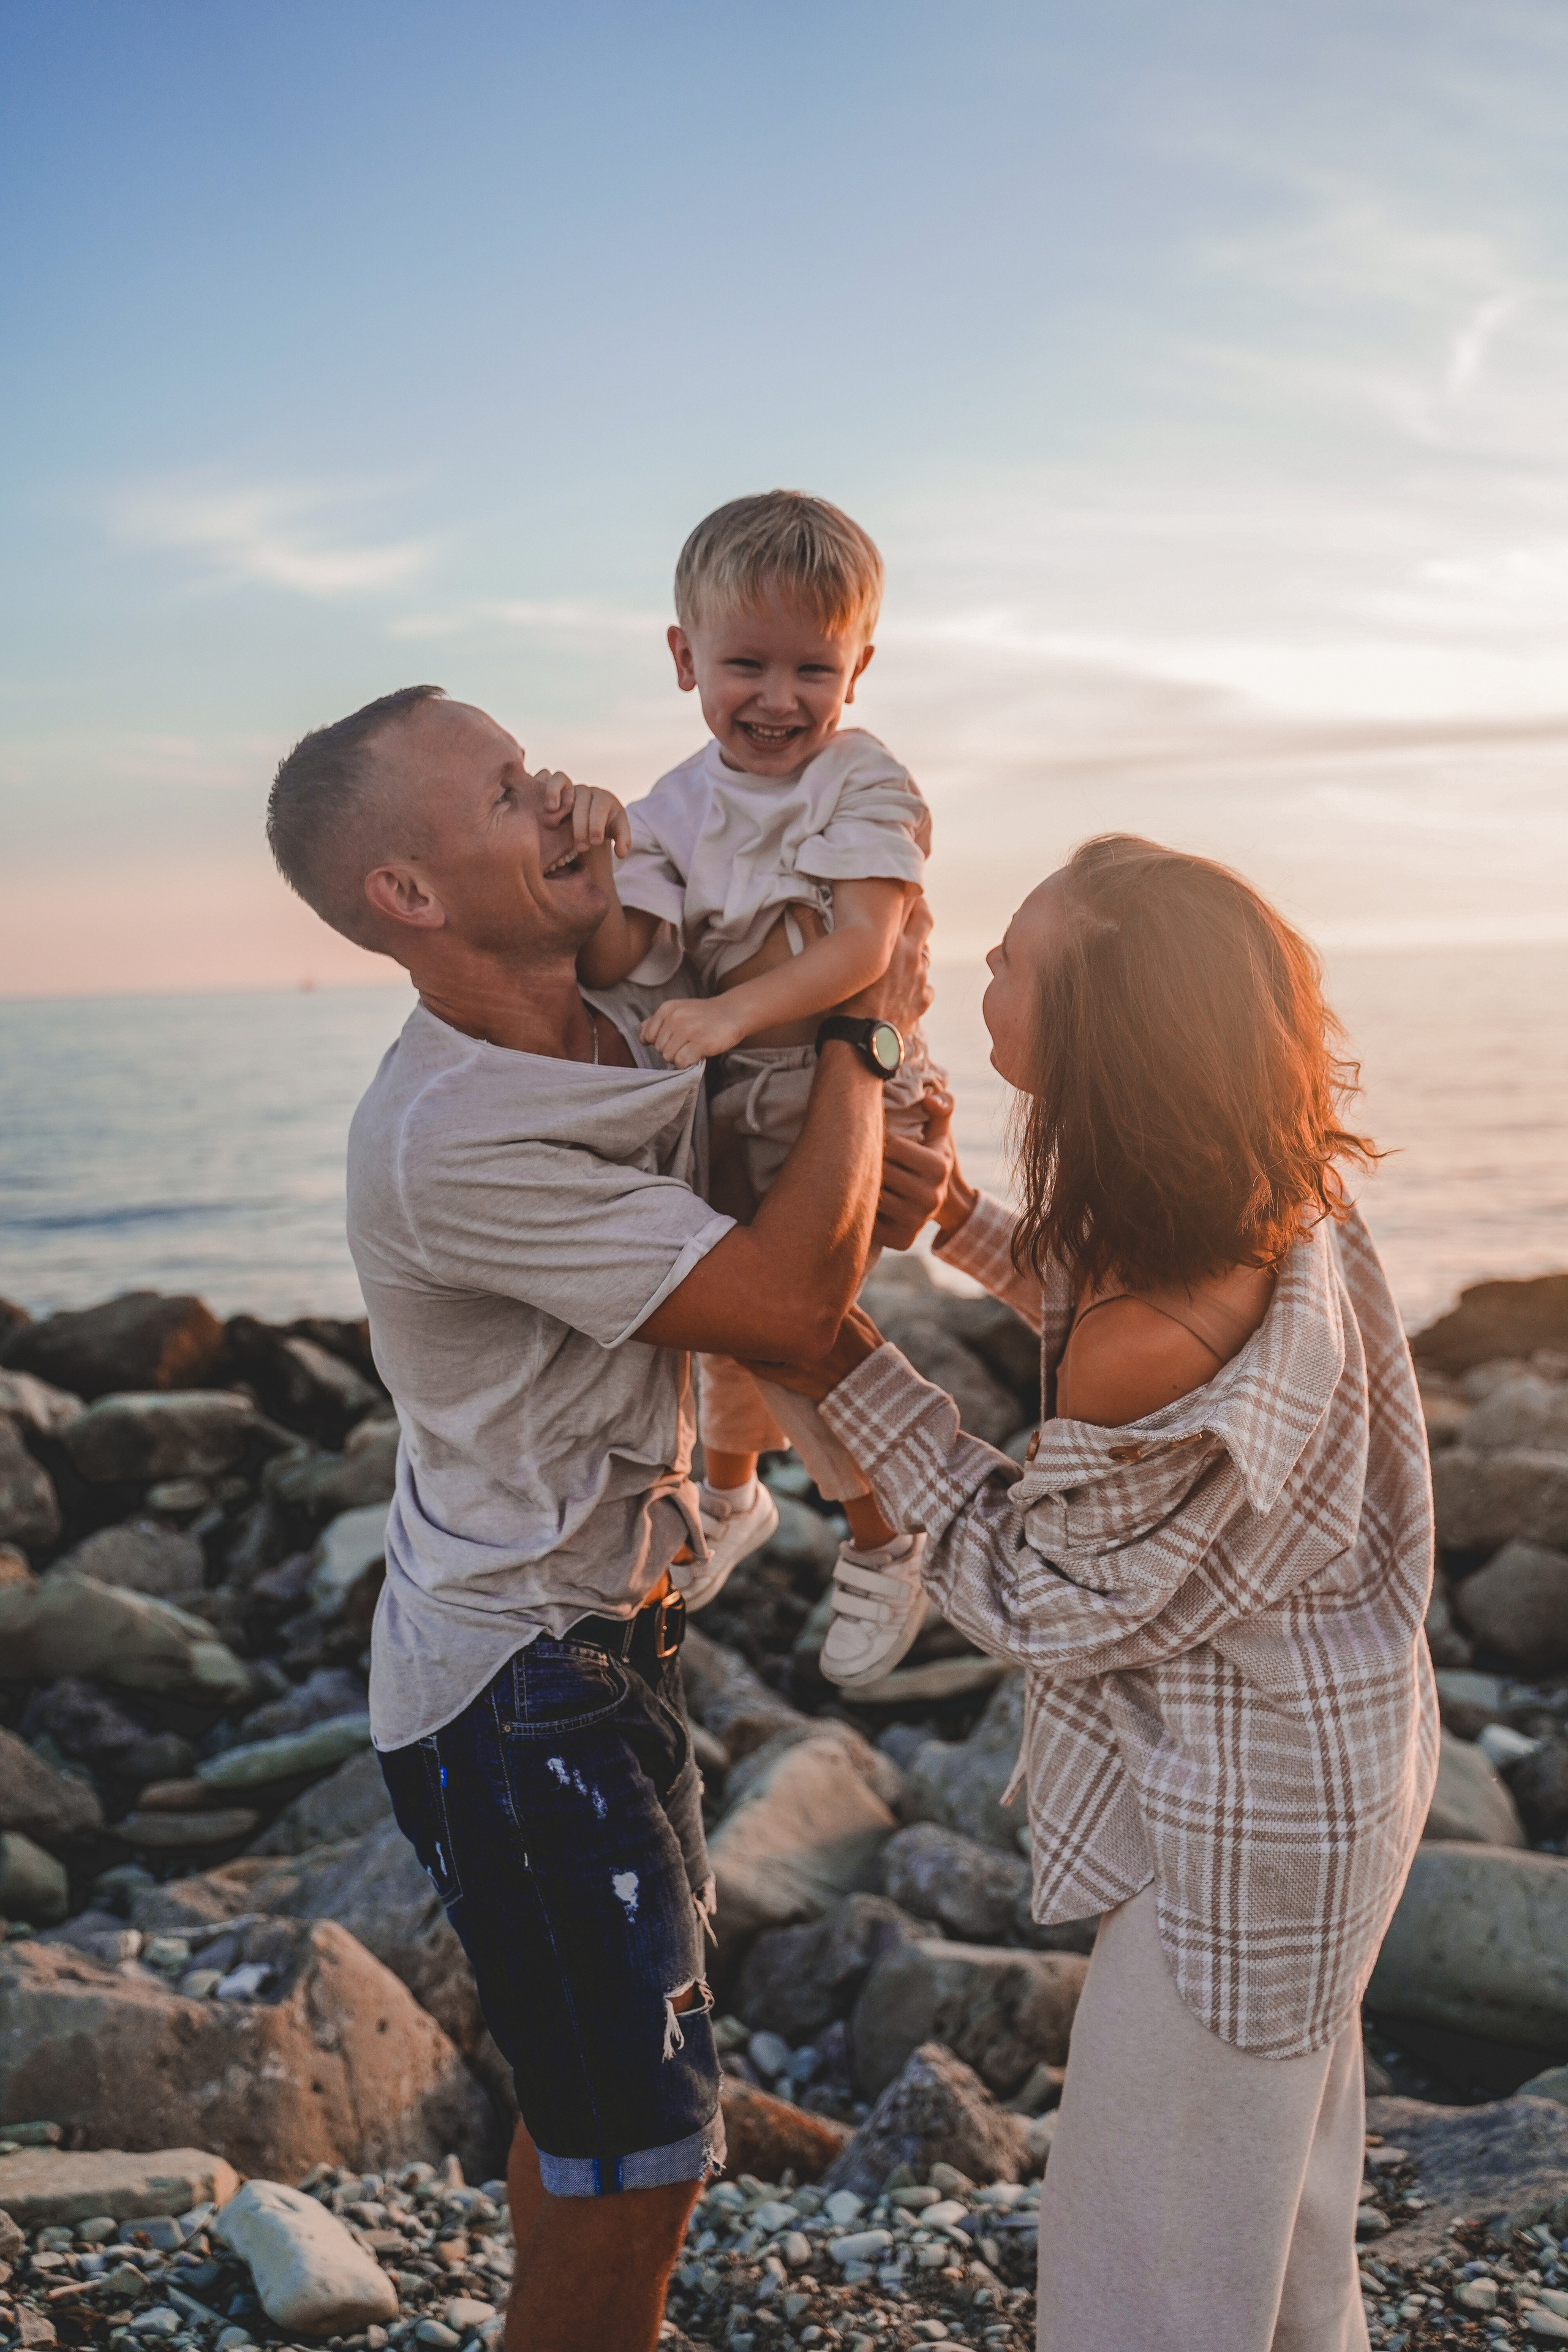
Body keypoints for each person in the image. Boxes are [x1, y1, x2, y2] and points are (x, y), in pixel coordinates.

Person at [263, 684, 945, 2352]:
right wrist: (864, 1025)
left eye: (539, 765)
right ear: (408, 901)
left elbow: (803, 1216)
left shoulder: (625, 1022)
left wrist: (878, 1154)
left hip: (608, 1639)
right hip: (517, 1692)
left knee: (594, 2103)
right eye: (508, 796)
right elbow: (785, 1307)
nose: (565, 797)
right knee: (638, 2158)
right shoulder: (453, 1137)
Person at [750, 835, 1439, 2352]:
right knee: (1281, 2207)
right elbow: (1111, 1291)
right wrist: (960, 1226)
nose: (983, 973)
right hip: (1335, 1760)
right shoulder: (1275, 1192)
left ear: (1099, 1024)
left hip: (1242, 1826)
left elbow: (1040, 1591)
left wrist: (843, 1365)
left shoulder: (1155, 1323)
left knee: (1154, 2242)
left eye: (1012, 957)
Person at [578, 489, 946, 1689]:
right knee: (722, 1317)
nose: (779, 698)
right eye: (746, 663)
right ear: (685, 659)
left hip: (834, 1075)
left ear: (860, 668)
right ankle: (731, 1499)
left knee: (782, 1317)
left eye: (812, 668)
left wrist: (730, 1012)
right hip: (734, 1085)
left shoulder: (861, 783)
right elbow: (627, 952)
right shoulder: (677, 802)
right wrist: (591, 865)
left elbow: (862, 954)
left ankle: (890, 1538)